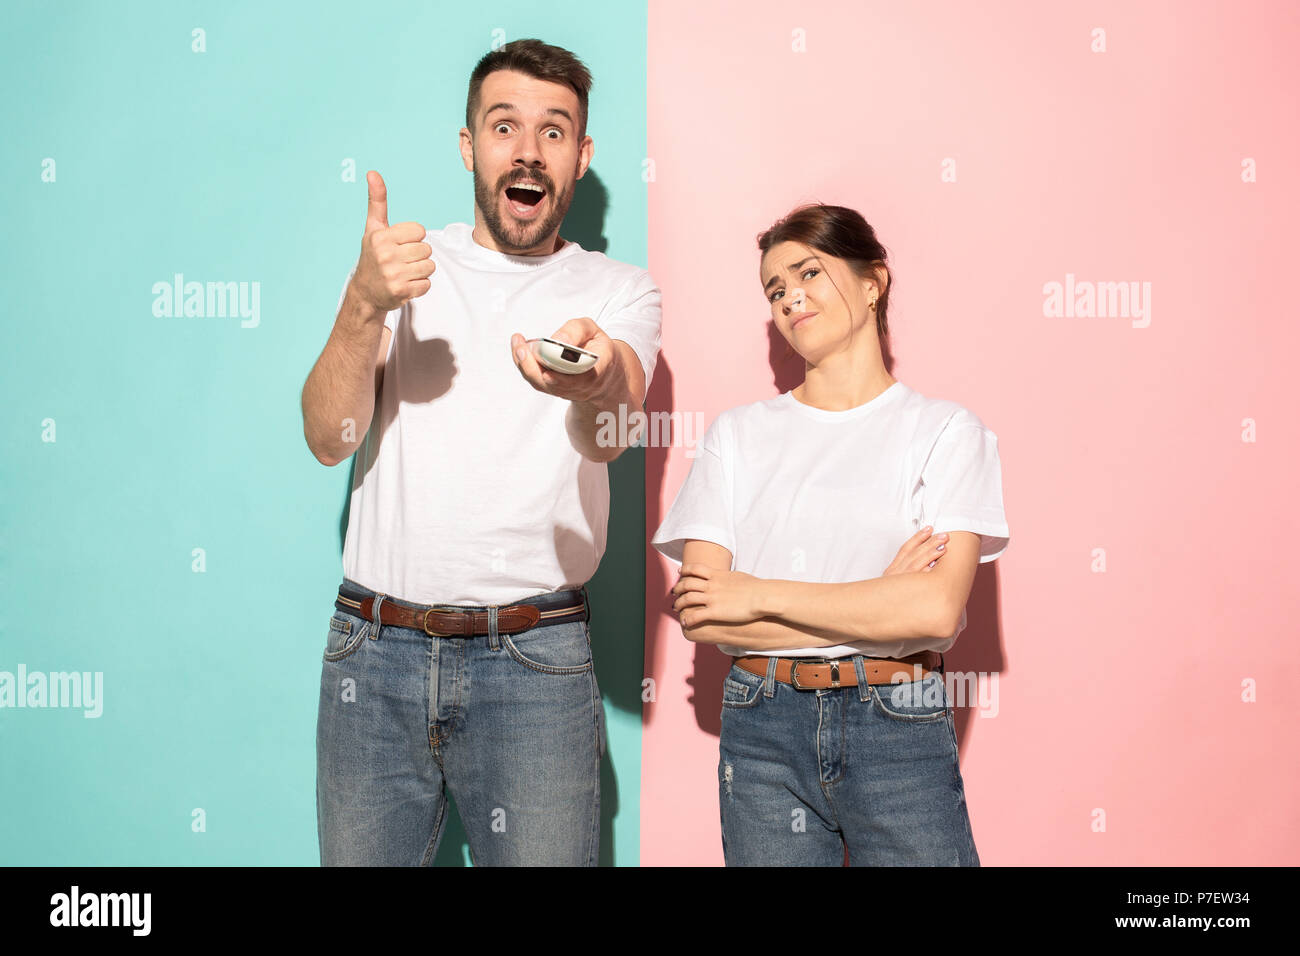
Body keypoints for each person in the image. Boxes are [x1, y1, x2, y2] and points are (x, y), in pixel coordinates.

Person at [301, 39, 661, 866]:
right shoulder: (400, 271)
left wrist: (591, 377)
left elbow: (617, 416)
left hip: (535, 662)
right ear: (469, 146)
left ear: (582, 156)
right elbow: (328, 439)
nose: (528, 151)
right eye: (504, 127)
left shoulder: (619, 290)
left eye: (554, 131)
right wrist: (361, 302)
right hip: (373, 654)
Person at [651, 203, 1008, 866]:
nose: (789, 298)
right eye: (774, 289)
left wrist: (752, 592)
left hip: (896, 717)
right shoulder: (737, 435)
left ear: (873, 282)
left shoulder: (945, 432)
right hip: (761, 726)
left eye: (808, 272)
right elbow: (705, 613)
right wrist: (878, 601)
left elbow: (933, 611)